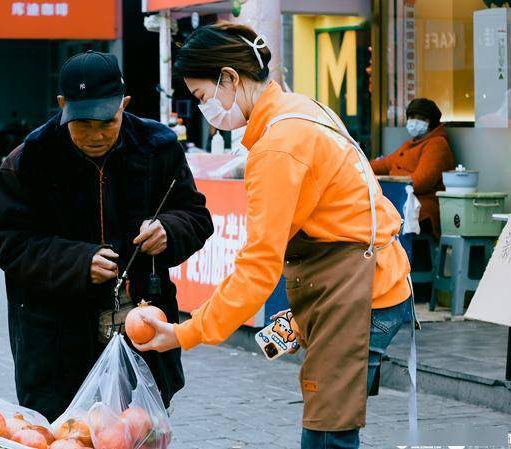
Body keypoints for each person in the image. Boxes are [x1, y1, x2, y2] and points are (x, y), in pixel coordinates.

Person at [135, 23, 413, 449]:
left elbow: (258, 267)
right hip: (365, 279)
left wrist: (186, 332)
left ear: (229, 78)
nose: (207, 108)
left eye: (203, 97)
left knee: (328, 429)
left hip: (360, 291)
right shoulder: (303, 109)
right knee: (328, 419)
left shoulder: (278, 146)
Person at [0, 51, 213, 421]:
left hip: (141, 330)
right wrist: (77, 261)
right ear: (62, 106)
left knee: (139, 432)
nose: (96, 135)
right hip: (56, 342)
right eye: (82, 124)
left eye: (107, 122)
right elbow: (9, 242)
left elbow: (196, 216)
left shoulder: (158, 147)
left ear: (124, 104)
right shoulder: (28, 161)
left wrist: (169, 230)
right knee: (66, 435)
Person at [370, 98, 455, 238]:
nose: (414, 122)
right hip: (401, 200)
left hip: (421, 206)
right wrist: (360, 165)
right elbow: (385, 164)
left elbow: (422, 181)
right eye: (412, 117)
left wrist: (392, 182)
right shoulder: (410, 144)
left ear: (431, 122)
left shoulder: (437, 144)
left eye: (421, 118)